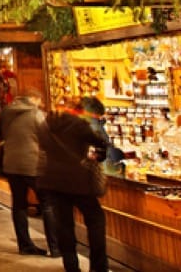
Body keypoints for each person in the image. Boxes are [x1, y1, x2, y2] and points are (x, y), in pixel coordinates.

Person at [38, 97, 110, 272]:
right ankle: (98, 266)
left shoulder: (44, 125)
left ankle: (71, 266)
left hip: (53, 181)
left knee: (64, 225)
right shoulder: (79, 125)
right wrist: (95, 155)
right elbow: (101, 143)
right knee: (95, 219)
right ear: (78, 111)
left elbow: (42, 147)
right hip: (78, 180)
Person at [0, 87, 57, 257]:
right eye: (40, 101)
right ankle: (55, 246)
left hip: (11, 164)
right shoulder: (36, 114)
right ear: (33, 98)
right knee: (47, 204)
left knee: (19, 205)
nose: (41, 105)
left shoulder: (6, 112)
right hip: (33, 164)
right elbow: (47, 138)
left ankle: (25, 245)